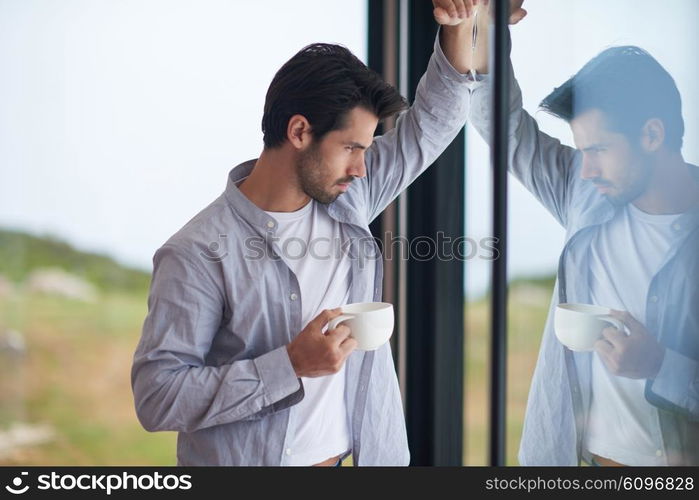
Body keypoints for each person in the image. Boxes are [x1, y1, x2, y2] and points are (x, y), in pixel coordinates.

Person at [131, 0, 482, 466]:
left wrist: (458, 25)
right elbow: (158, 396)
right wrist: (289, 365)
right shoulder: (197, 252)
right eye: (352, 148)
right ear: (299, 131)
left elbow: (434, 122)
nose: (362, 167)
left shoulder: (347, 200)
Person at [465, 0, 699, 465]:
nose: (585, 168)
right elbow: (500, 123)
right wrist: (487, 28)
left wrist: (659, 366)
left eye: (599, 150)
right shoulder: (585, 191)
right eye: (580, 150)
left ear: (652, 135)